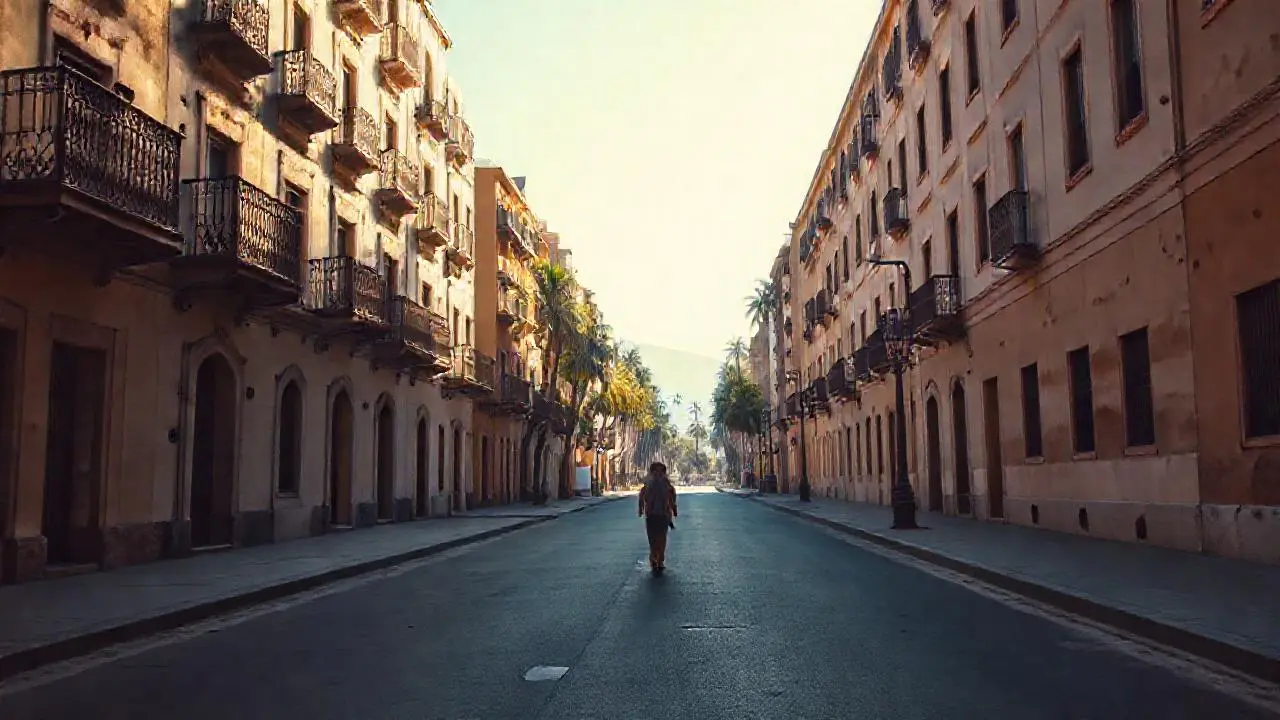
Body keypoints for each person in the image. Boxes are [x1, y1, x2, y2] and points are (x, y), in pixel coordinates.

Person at [638, 461, 677, 574]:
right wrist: (640, 509)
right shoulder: (647, 485)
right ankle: (653, 557)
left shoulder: (668, 486)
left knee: (662, 538)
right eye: (655, 471)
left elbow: (672, 498)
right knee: (652, 539)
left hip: (664, 516)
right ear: (651, 472)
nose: (658, 474)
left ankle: (660, 559)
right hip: (651, 516)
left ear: (664, 473)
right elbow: (641, 497)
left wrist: (674, 510)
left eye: (661, 472)